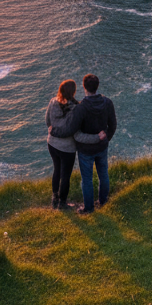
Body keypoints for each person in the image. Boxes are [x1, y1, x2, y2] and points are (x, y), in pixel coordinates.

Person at [51, 73, 116, 214]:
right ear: (97, 86)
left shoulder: (81, 108)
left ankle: (88, 208)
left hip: (85, 150)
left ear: (84, 87)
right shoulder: (108, 102)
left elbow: (71, 130)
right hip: (102, 147)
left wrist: (54, 132)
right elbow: (113, 125)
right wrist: (105, 139)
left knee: (87, 179)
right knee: (103, 174)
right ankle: (103, 201)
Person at [45, 80, 104, 209]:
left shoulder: (53, 102)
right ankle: (62, 203)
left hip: (52, 143)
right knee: (65, 175)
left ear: (60, 90)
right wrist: (96, 138)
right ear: (73, 92)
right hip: (67, 148)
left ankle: (54, 198)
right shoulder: (76, 108)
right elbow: (78, 135)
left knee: (57, 170)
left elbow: (47, 121)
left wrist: (52, 128)